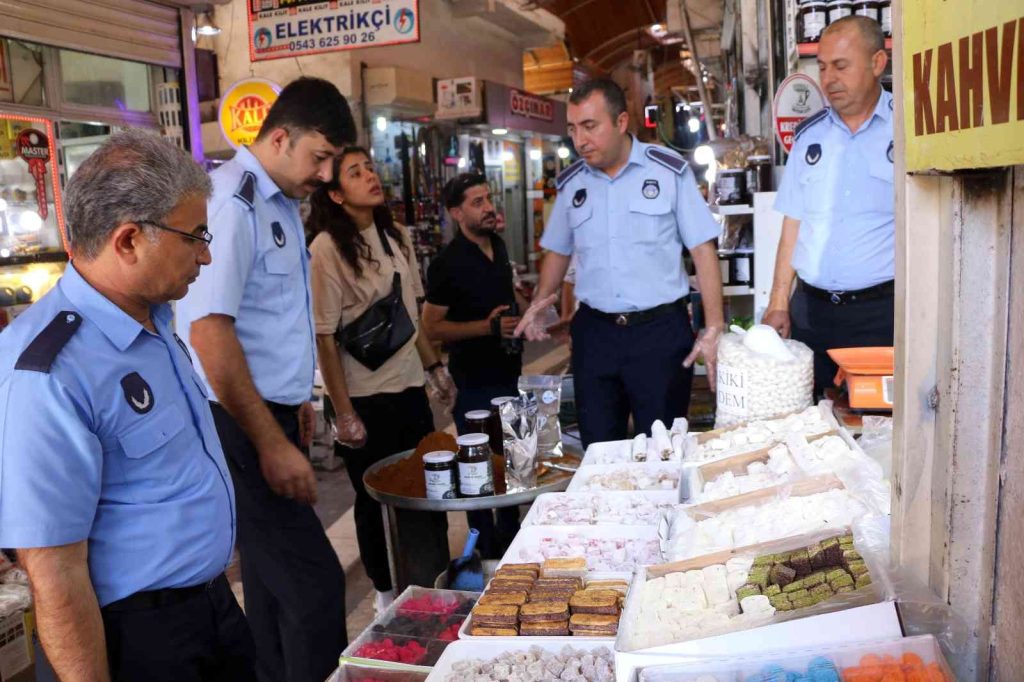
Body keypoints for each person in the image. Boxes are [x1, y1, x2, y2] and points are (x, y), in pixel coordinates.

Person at [0, 130, 255, 681]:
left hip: (210, 608)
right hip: (136, 641)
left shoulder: (155, 321)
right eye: (195, 236)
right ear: (129, 241)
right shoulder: (51, 371)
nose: (206, 255)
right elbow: (54, 571)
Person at [175, 77, 353, 682]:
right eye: (320, 157)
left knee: (275, 595)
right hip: (236, 423)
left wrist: (295, 399)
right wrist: (270, 441)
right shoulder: (231, 202)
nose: (327, 176)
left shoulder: (277, 202)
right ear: (279, 136)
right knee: (316, 588)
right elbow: (210, 333)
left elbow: (271, 320)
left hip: (266, 411)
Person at [516, 78, 725, 448]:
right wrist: (539, 302)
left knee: (663, 451)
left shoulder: (667, 171)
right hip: (596, 335)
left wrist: (714, 327)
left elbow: (702, 249)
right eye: (573, 128)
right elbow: (558, 251)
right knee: (598, 448)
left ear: (622, 122)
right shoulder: (571, 183)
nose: (579, 140)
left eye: (590, 126)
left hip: (659, 333)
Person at [307, 147, 455, 607]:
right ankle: (385, 593)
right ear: (334, 194)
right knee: (375, 498)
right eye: (355, 172)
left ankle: (430, 580)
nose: (370, 176)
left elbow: (410, 317)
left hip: (409, 390)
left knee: (424, 489)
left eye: (369, 167)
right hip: (364, 399)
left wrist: (435, 369)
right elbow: (325, 337)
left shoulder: (397, 237)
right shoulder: (326, 250)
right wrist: (344, 412)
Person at [762, 16, 894, 396]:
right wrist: (778, 305)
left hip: (878, 315)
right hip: (811, 313)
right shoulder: (809, 138)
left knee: (876, 427)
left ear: (877, 63)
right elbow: (794, 226)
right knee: (811, 426)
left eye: (840, 66)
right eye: (822, 67)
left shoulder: (905, 131)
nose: (829, 79)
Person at [421, 173, 527, 558]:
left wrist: (527, 316)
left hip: (508, 374)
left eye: (488, 199)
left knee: (511, 463)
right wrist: (489, 326)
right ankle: (480, 552)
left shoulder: (497, 246)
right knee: (478, 471)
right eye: (477, 202)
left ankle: (513, 543)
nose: (488, 208)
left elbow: (506, 299)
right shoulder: (446, 265)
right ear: (455, 212)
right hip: (474, 382)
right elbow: (431, 327)